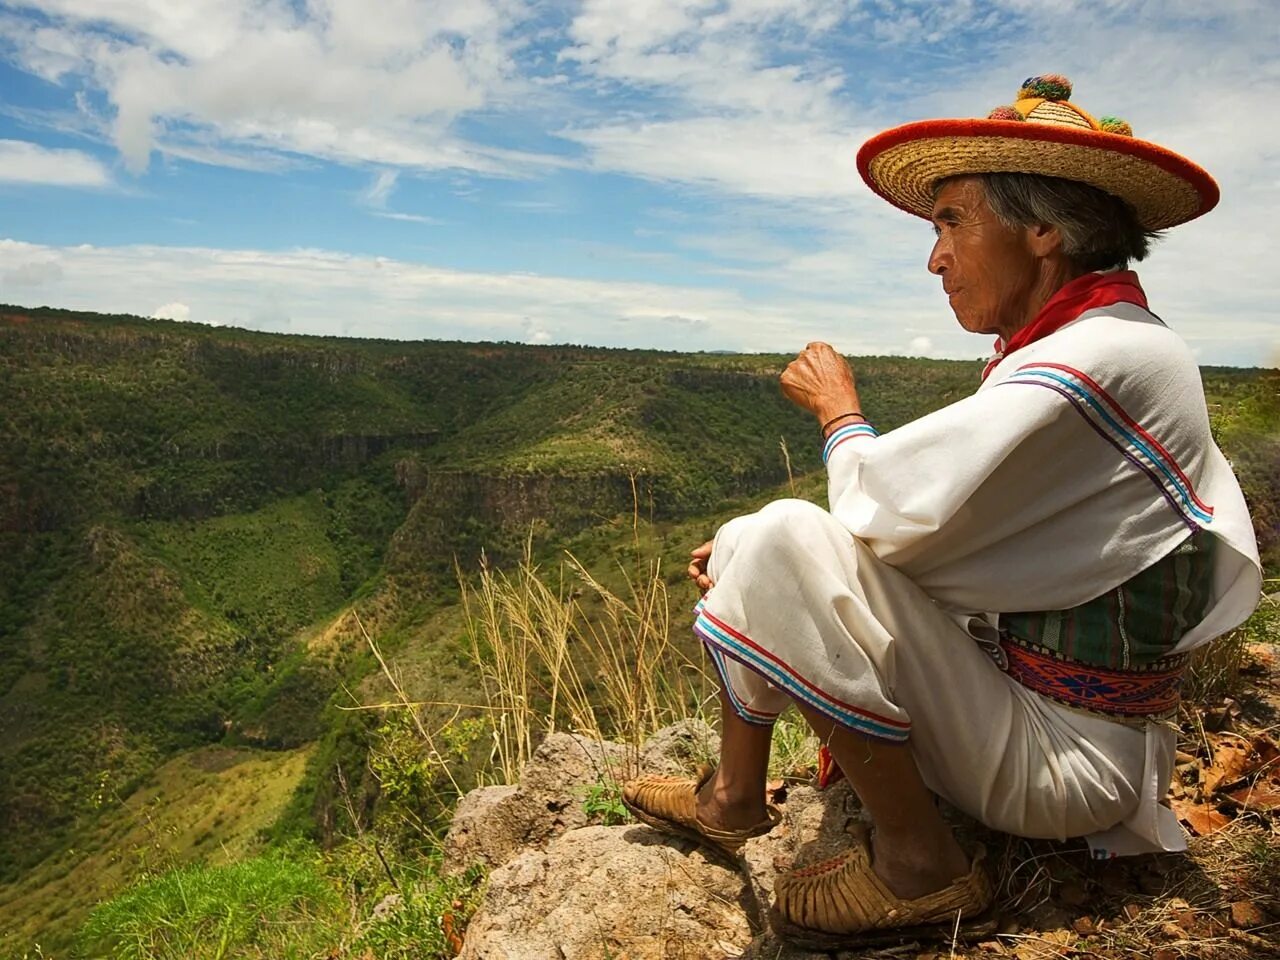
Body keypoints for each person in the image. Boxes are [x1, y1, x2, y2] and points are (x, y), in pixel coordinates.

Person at [621, 75, 1262, 947]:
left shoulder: (1098, 359)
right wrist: (760, 566)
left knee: (775, 537)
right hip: (1042, 722)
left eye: (952, 222)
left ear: (1043, 229)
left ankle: (920, 866)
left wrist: (838, 410)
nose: (935, 258)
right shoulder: (1105, 343)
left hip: (1063, 763)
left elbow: (886, 511)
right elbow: (938, 535)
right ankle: (731, 798)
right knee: (757, 542)